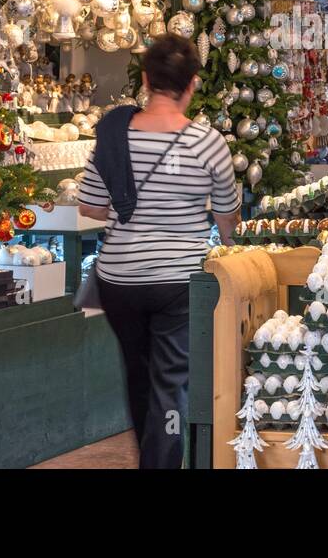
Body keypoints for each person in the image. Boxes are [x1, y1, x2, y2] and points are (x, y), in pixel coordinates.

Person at [77, 34, 241, 468]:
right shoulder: (209, 144)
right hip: (177, 280)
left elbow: (90, 205)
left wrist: (132, 205)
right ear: (192, 85)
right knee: (170, 381)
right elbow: (227, 217)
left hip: (119, 279)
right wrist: (227, 241)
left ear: (146, 80)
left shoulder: (114, 135)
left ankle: (151, 456)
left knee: (139, 375)